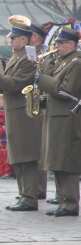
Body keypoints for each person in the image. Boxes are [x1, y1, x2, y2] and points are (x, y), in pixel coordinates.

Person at [0, 23, 43, 211]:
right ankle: (25, 194)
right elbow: (6, 84)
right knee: (18, 156)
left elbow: (17, 84)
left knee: (27, 156)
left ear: (23, 39)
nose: (11, 41)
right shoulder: (18, 56)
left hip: (24, 113)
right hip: (15, 112)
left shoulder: (29, 59)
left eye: (14, 38)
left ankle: (30, 197)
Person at [35, 28, 81, 217]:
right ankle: (63, 200)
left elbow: (67, 91)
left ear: (72, 44)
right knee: (57, 161)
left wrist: (43, 80)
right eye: (57, 43)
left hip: (67, 118)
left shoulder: (76, 63)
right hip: (56, 117)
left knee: (66, 161)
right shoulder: (63, 61)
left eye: (61, 43)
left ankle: (70, 203)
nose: (58, 47)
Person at [29, 20, 50, 200]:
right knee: (37, 149)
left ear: (35, 37)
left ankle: (39, 189)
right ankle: (36, 188)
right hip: (37, 102)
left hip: (43, 105)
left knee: (39, 150)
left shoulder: (43, 54)